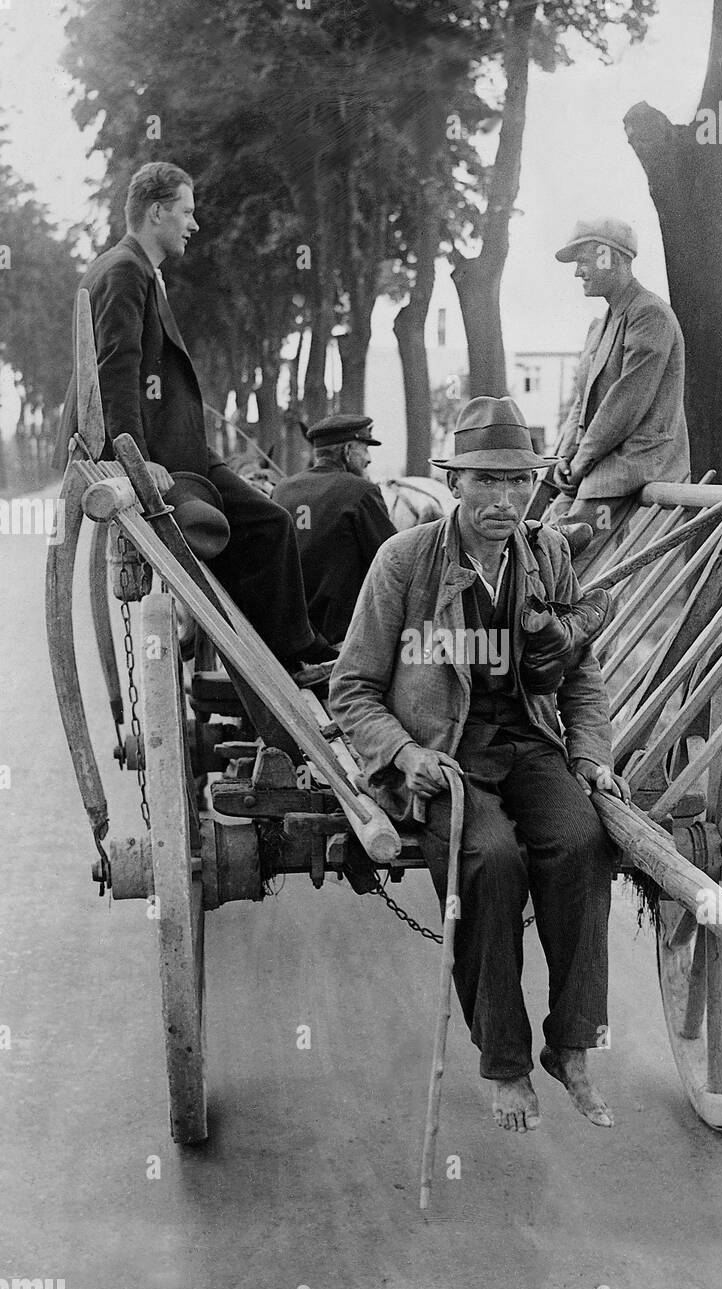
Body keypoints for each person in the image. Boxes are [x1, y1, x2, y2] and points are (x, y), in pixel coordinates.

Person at [330, 396, 629, 1135]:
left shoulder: (549, 554)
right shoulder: (404, 561)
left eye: (517, 484)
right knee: (489, 861)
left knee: (580, 843)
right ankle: (504, 1062)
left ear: (532, 487)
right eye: (485, 483)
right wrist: (403, 753)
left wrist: (590, 757)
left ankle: (570, 1045)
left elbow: (580, 674)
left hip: (527, 738)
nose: (502, 500)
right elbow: (351, 688)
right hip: (442, 754)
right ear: (454, 482)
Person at [53, 160, 335, 683]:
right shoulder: (125, 270)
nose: (194, 224)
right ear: (156, 212)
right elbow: (116, 369)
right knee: (254, 527)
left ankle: (290, 652)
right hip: (157, 457)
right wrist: (136, 460)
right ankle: (290, 658)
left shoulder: (131, 268)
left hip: (175, 449)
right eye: (186, 211)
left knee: (265, 524)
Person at [545, 217, 690, 582]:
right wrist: (565, 455)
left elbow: (626, 403)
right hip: (599, 461)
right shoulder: (603, 323)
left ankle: (564, 633)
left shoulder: (649, 314)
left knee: (565, 559)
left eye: (584, 260)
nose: (578, 272)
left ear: (610, 256)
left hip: (636, 459)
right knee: (542, 538)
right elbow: (583, 402)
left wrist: (581, 462)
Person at [272, 414, 396, 647]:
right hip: (344, 639)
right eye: (364, 449)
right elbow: (393, 560)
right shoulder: (360, 491)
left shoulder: (281, 490)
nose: (368, 459)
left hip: (293, 637)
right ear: (348, 451)